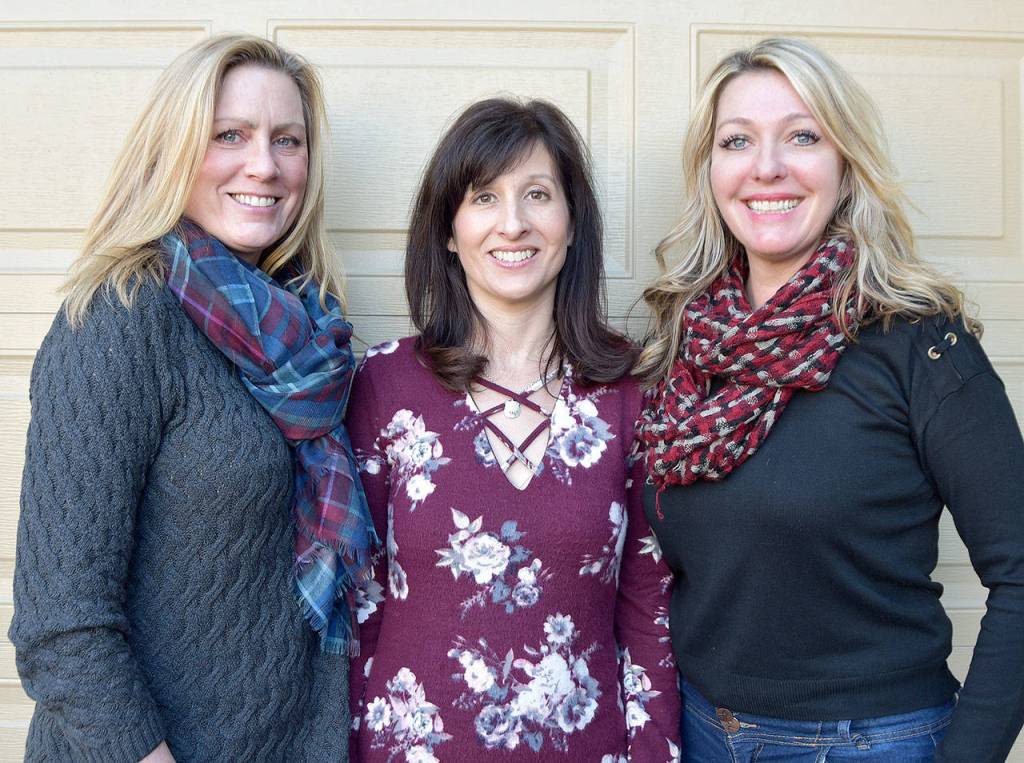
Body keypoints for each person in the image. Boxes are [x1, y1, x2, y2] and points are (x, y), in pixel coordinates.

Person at [635, 36, 1024, 762]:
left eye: (803, 136)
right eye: (737, 140)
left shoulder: (920, 345)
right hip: (699, 732)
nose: (767, 167)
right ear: (711, 171)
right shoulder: (684, 345)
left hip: (870, 743)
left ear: (846, 166)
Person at [9, 34, 376, 762]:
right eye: (229, 135)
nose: (264, 165)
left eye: (287, 140)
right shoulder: (121, 318)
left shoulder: (310, 332)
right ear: (174, 149)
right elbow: (61, 623)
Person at [346, 97, 680, 762]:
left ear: (572, 222)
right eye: (484, 197)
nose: (513, 223)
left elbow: (650, 609)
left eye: (537, 194)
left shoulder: (632, 390)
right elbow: (361, 603)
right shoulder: (385, 385)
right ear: (449, 230)